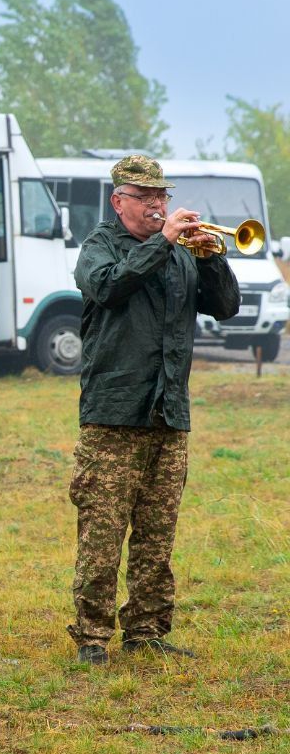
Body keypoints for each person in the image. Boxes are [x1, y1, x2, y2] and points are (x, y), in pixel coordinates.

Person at [67, 154, 239, 666]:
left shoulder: (182, 252)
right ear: (119, 201)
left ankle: (146, 629)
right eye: (146, 199)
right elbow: (110, 286)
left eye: (162, 197)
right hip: (113, 413)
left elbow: (225, 307)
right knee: (102, 532)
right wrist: (164, 244)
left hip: (169, 412)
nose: (158, 206)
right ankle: (92, 636)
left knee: (157, 534)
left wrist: (210, 258)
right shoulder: (97, 248)